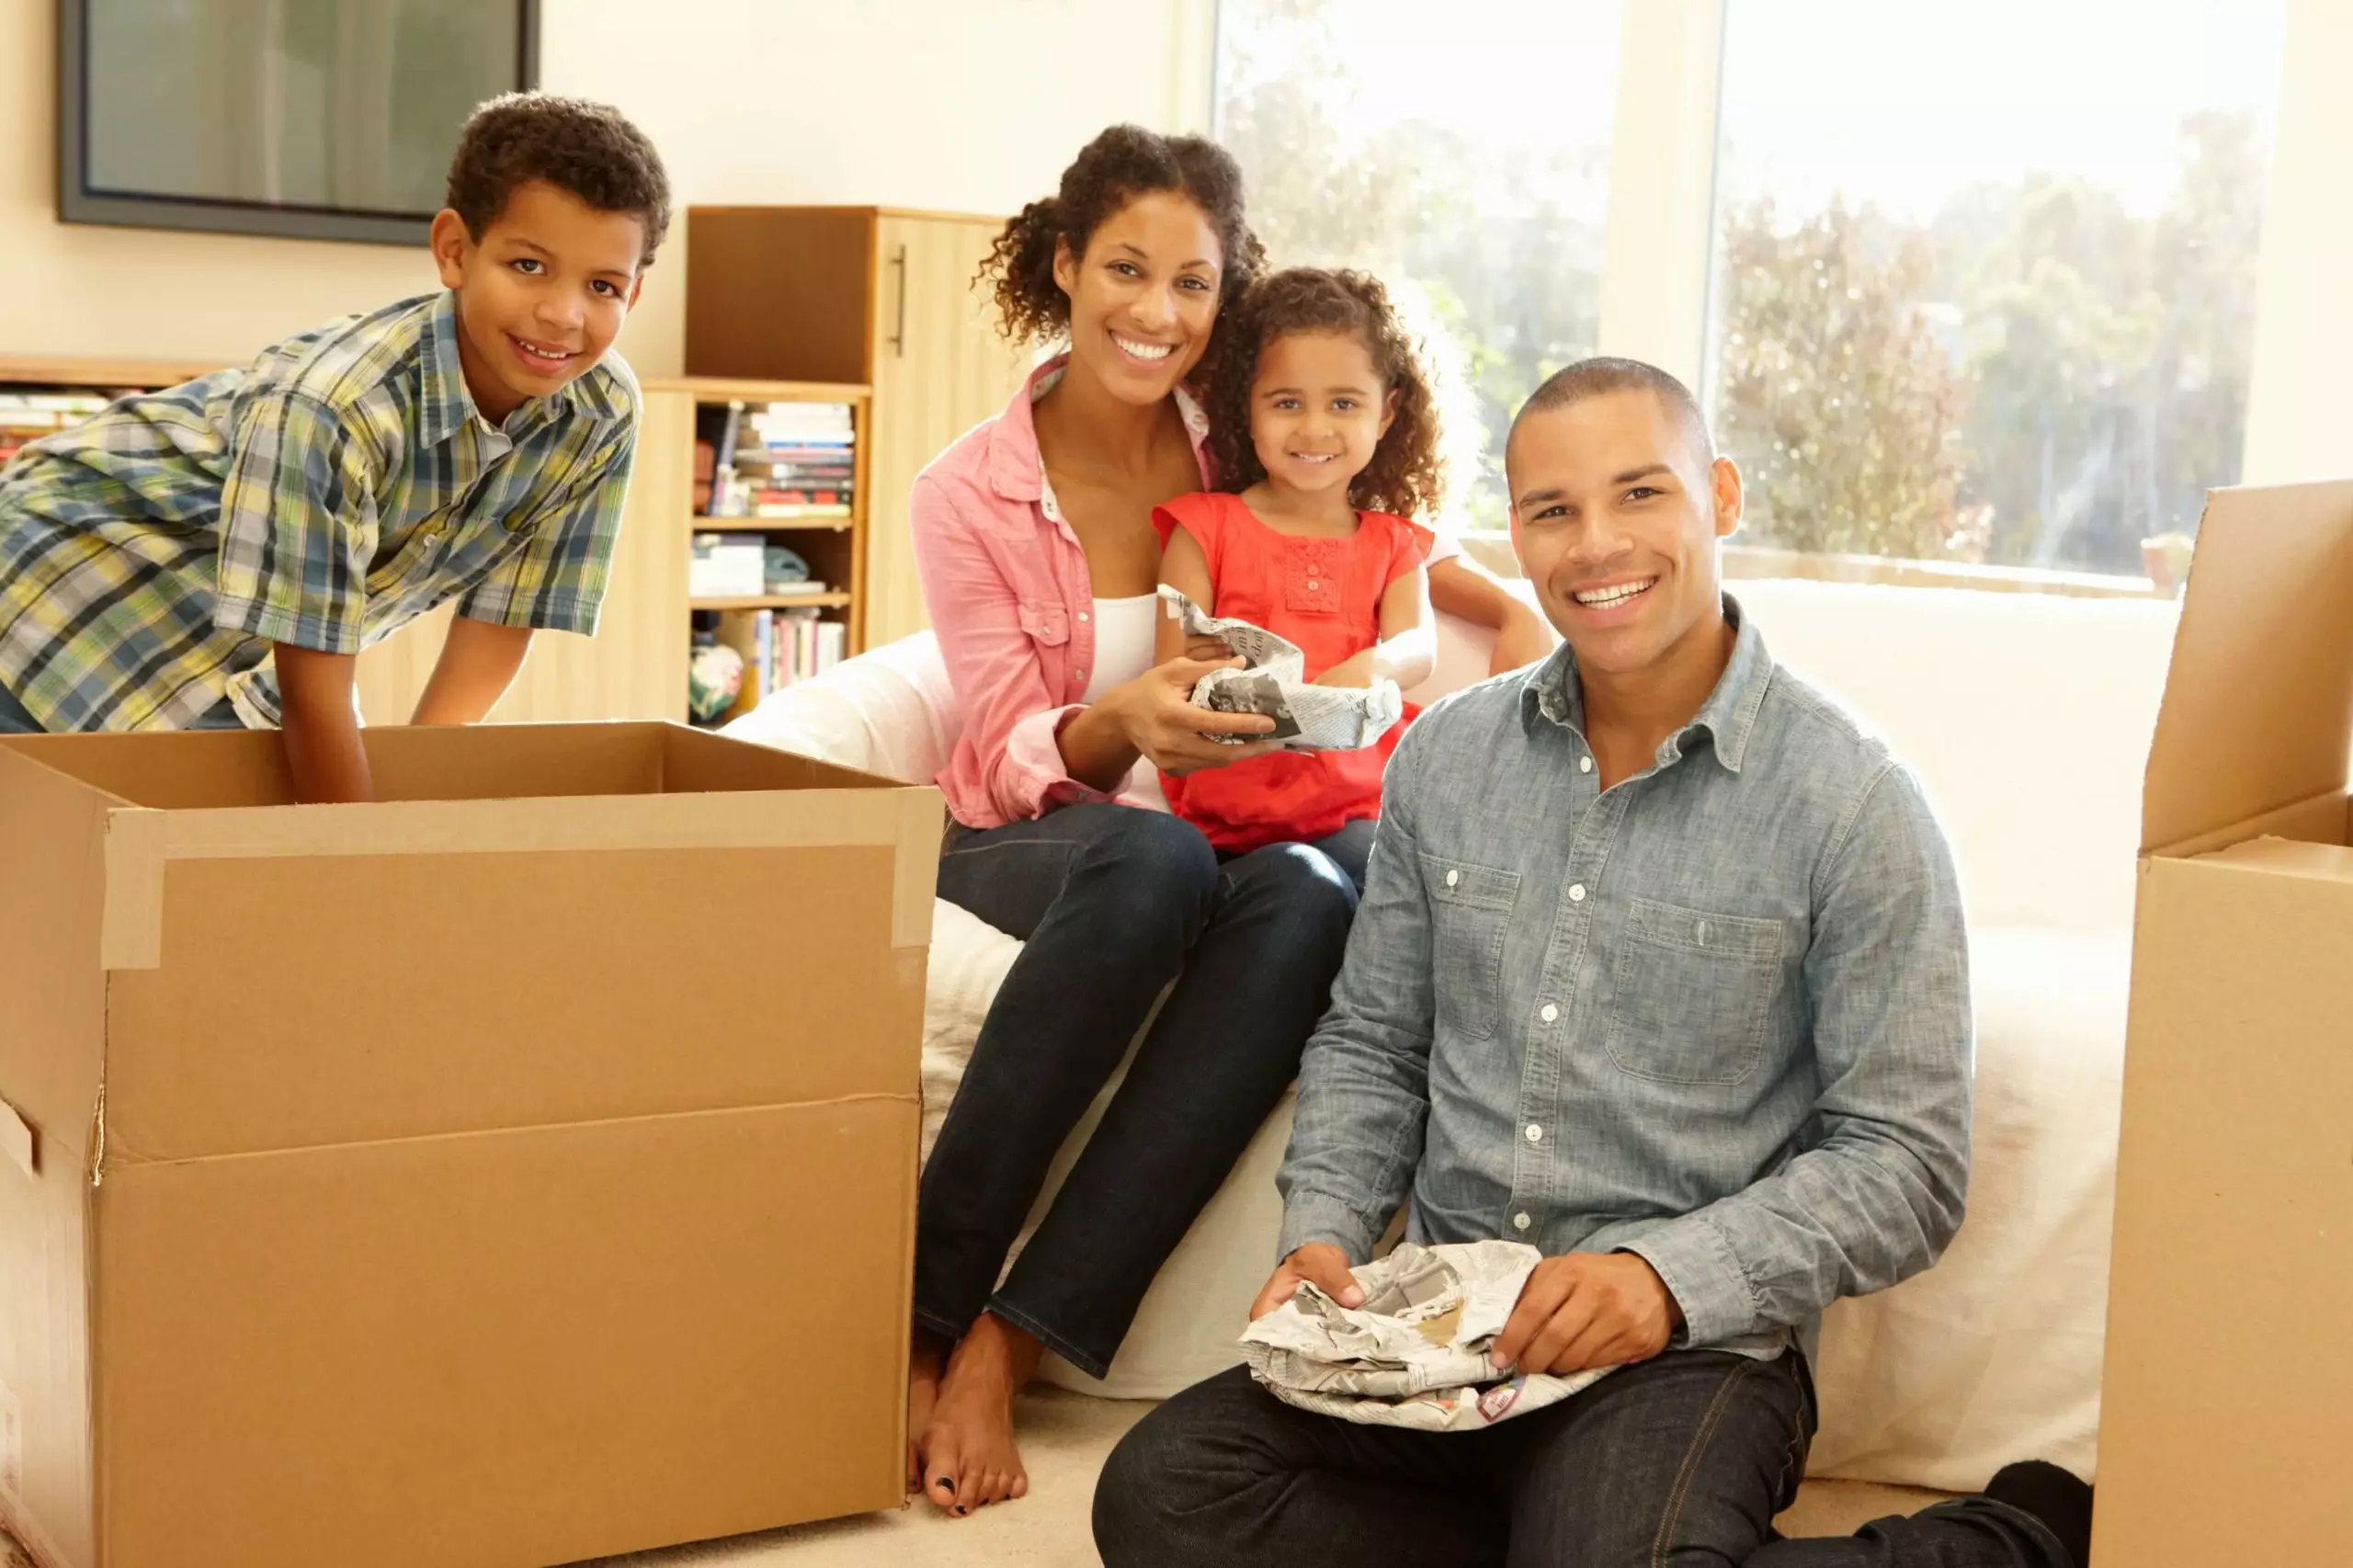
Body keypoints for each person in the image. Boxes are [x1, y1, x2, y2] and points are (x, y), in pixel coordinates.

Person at [1094, 358, 2097, 1568]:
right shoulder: (1446, 759)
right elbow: (1375, 1039)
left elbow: (1909, 1159)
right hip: (1442, 1333)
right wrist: (1324, 1233)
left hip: (1682, 1355)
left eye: (1639, 494)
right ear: (1514, 532)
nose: (1595, 543)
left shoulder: (1856, 803)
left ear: (1719, 497)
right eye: (1552, 511)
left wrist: (1659, 1277)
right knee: (1161, 1495)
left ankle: (2000, 1540)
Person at [905, 125, 1351, 1519]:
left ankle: (1014, 1336)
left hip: (1210, 841)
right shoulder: (965, 491)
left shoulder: (1250, 443)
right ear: (1064, 264)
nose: (1157, 313)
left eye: (1195, 283)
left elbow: (1372, 555)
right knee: (1151, 850)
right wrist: (1128, 723)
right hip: (1026, 835)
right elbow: (995, 745)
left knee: (1311, 897)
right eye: (1125, 270)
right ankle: (921, 1315)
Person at [0, 93, 667, 803]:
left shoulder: (600, 411)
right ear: (454, 251)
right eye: (529, 266)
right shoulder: (332, 406)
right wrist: (362, 855)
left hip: (232, 639)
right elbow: (314, 690)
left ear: (634, 295)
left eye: (602, 286)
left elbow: (501, 620)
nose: (562, 314)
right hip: (60, 575)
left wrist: (418, 791)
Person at [1153, 266, 1446, 889]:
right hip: (1223, 818)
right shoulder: (1204, 529)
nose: (1314, 429)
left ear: (1386, 414)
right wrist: (1213, 668)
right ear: (1247, 411)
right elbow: (1172, 669)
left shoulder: (1393, 543)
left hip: (1355, 811)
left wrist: (1376, 665)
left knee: (1398, 878)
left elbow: (1418, 644)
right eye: (1287, 403)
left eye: (1344, 403)